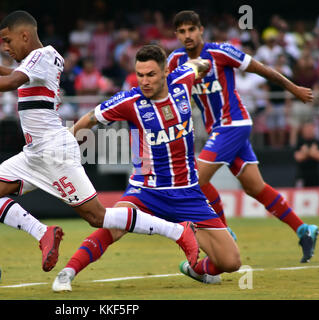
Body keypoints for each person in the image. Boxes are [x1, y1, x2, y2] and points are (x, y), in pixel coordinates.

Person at [0, 11, 199, 273]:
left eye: (7, 40)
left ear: (24, 35)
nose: (4, 47)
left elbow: (14, 80)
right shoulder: (45, 58)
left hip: (54, 151)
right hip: (34, 153)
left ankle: (177, 231)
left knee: (98, 217)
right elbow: (21, 80)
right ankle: (44, 233)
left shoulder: (41, 56)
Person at [52, 45, 241, 292]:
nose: (144, 81)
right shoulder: (130, 101)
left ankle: (196, 268)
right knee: (113, 227)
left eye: (150, 74)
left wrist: (203, 71)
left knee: (231, 262)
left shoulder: (183, 79)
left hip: (187, 192)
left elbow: (201, 65)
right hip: (146, 189)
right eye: (140, 75)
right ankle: (67, 273)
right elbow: (90, 118)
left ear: (165, 72)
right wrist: (65, 144)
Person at [167, 10, 319, 264]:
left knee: (196, 178)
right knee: (254, 187)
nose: (187, 35)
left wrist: (293, 89)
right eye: (181, 31)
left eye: (191, 29)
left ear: (201, 30)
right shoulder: (175, 60)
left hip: (233, 124)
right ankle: (304, 229)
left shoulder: (221, 52)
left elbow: (263, 70)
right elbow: (170, 94)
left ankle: (223, 234)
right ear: (177, 34)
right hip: (218, 130)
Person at [293, 121, 319, 187]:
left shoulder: (318, 142)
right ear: (303, 130)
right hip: (301, 175)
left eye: (310, 129)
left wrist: (306, 153)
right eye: (307, 129)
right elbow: (297, 157)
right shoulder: (299, 142)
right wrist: (311, 153)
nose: (309, 131)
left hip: (315, 176)